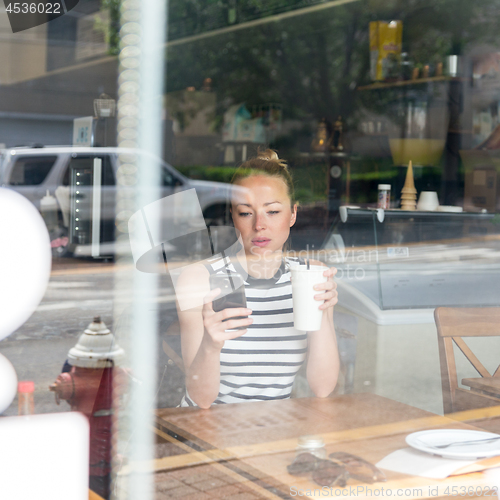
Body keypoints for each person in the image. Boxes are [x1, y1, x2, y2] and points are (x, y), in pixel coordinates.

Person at [176, 150, 339, 408]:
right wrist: (211, 345)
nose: (259, 225)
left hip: (272, 429)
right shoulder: (199, 279)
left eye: (273, 211)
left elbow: (322, 387)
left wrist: (324, 315)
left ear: (293, 214)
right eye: (246, 213)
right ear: (233, 216)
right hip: (206, 428)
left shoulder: (312, 275)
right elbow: (200, 398)